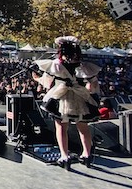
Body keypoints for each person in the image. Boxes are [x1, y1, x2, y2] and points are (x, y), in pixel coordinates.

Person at [32, 36, 101, 169]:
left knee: (62, 128)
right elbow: (93, 84)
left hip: (61, 97)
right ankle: (86, 155)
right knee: (83, 128)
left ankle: (64, 156)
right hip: (81, 97)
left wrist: (37, 79)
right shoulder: (84, 65)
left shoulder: (56, 65)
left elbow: (47, 83)